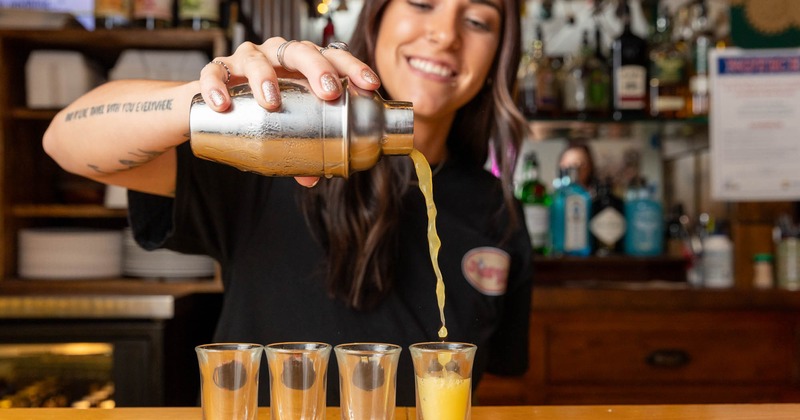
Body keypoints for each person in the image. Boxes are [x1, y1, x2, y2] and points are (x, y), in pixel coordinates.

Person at [43, 0, 533, 407]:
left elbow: (506, 388)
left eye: (477, 20)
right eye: (423, 3)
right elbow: (65, 143)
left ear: (499, 58)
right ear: (375, 19)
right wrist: (219, 98)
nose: (445, 34)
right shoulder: (272, 157)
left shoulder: (497, 212)